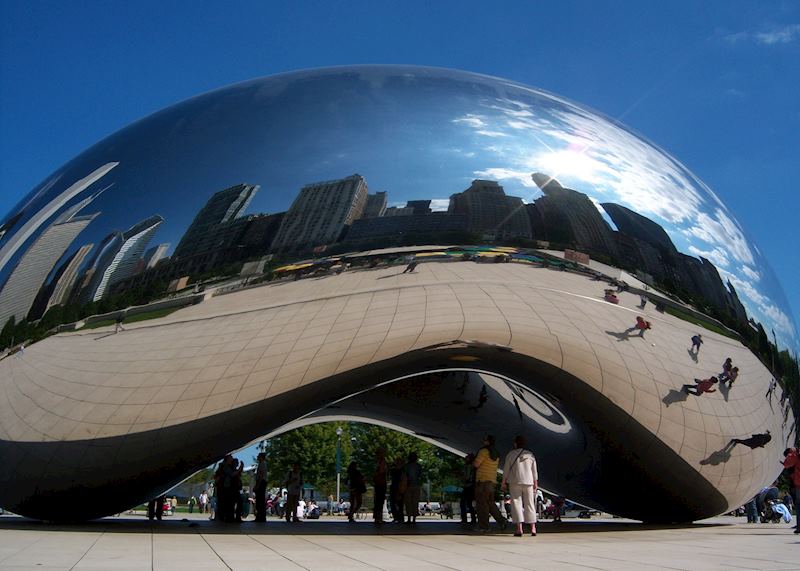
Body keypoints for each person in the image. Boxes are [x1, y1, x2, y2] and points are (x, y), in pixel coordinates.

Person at [501, 435, 538, 537]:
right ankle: (533, 527)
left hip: (515, 481)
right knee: (530, 504)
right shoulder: (530, 455)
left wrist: (503, 482)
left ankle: (519, 528)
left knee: (516, 503)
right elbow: (534, 471)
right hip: (529, 481)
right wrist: (535, 483)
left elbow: (506, 470)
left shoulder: (510, 454)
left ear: (515, 443)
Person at [473, 435, 507, 532]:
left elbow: (476, 464)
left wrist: (472, 461)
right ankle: (502, 521)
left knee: (481, 504)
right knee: (490, 503)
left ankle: (484, 526)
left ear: (487, 441)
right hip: (492, 481)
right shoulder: (496, 453)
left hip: (482, 481)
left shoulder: (483, 451)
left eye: (484, 440)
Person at [782, 447, 800, 534]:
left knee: (799, 505)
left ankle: (799, 526)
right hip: (796, 484)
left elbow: (786, 463)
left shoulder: (795, 456)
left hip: (798, 484)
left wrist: (791, 453)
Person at [404, 452, 423, 524]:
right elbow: (420, 475)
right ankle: (414, 518)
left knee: (408, 502)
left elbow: (405, 475)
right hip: (416, 485)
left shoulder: (407, 466)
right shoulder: (419, 466)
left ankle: (409, 518)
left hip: (408, 485)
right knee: (415, 502)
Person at [460, 453, 476, 524]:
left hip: (469, 486)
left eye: (467, 458)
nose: (465, 459)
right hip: (468, 486)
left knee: (466, 503)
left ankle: (467, 519)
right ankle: (470, 519)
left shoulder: (471, 466)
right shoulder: (468, 466)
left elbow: (469, 476)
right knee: (467, 504)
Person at [373, 448, 388, 524]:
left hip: (377, 483)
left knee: (378, 501)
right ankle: (379, 518)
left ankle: (377, 517)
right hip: (381, 483)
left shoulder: (376, 462)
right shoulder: (381, 461)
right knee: (380, 501)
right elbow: (381, 471)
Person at [389, 456, 405, 523]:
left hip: (398, 487)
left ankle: (399, 517)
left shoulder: (401, 470)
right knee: (394, 503)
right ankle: (397, 517)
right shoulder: (397, 470)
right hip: (395, 487)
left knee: (399, 503)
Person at [254, 452, 268, 522]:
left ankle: (260, 516)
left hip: (261, 482)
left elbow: (261, 475)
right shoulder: (262, 464)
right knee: (260, 500)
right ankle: (260, 516)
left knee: (260, 500)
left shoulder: (262, 464)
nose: (257, 457)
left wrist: (257, 485)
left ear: (261, 457)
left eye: (258, 456)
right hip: (262, 482)